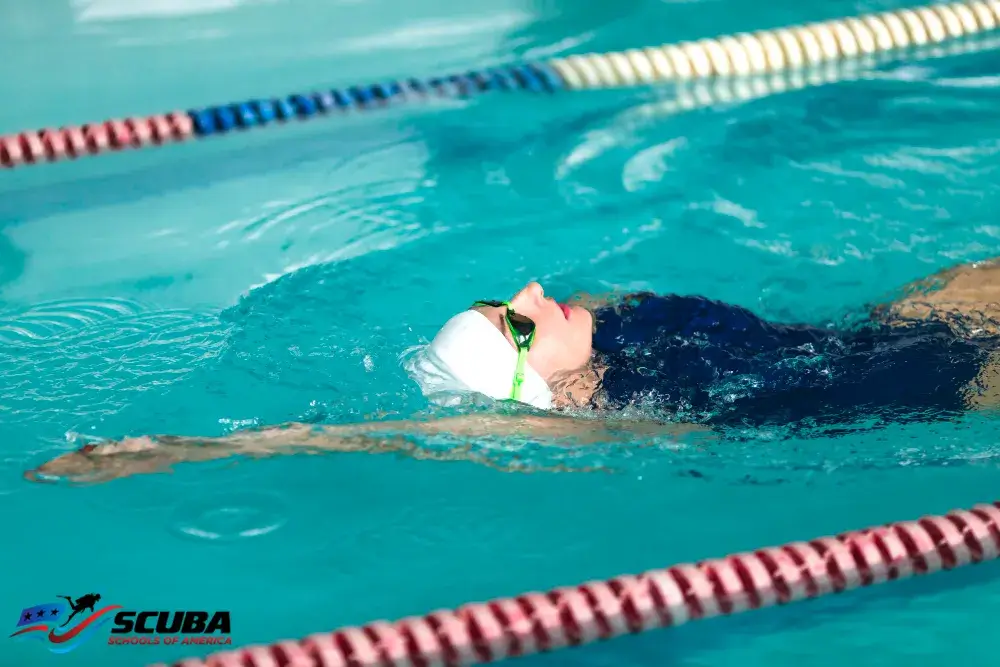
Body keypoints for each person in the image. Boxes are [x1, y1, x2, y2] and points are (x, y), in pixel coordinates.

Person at [27, 258, 1000, 484]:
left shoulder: (631, 334)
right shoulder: (633, 413)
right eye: (518, 316)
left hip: (876, 325)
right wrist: (184, 451)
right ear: (533, 384)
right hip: (921, 379)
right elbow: (399, 434)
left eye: (511, 296)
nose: (535, 289)